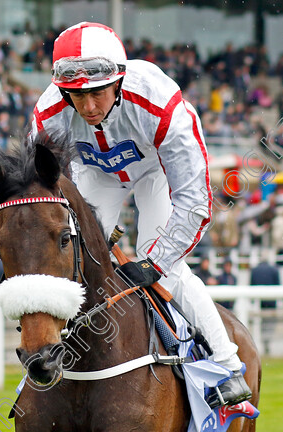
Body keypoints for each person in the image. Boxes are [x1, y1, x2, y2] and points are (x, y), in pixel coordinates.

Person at [32, 22, 249, 404]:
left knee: (161, 259)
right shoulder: (48, 114)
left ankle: (227, 363)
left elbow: (195, 199)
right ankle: (60, 350)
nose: (88, 107)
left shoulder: (160, 102)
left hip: (157, 170)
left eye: (97, 93)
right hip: (97, 172)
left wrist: (155, 264)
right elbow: (41, 194)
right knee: (77, 255)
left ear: (119, 80)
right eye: (76, 96)